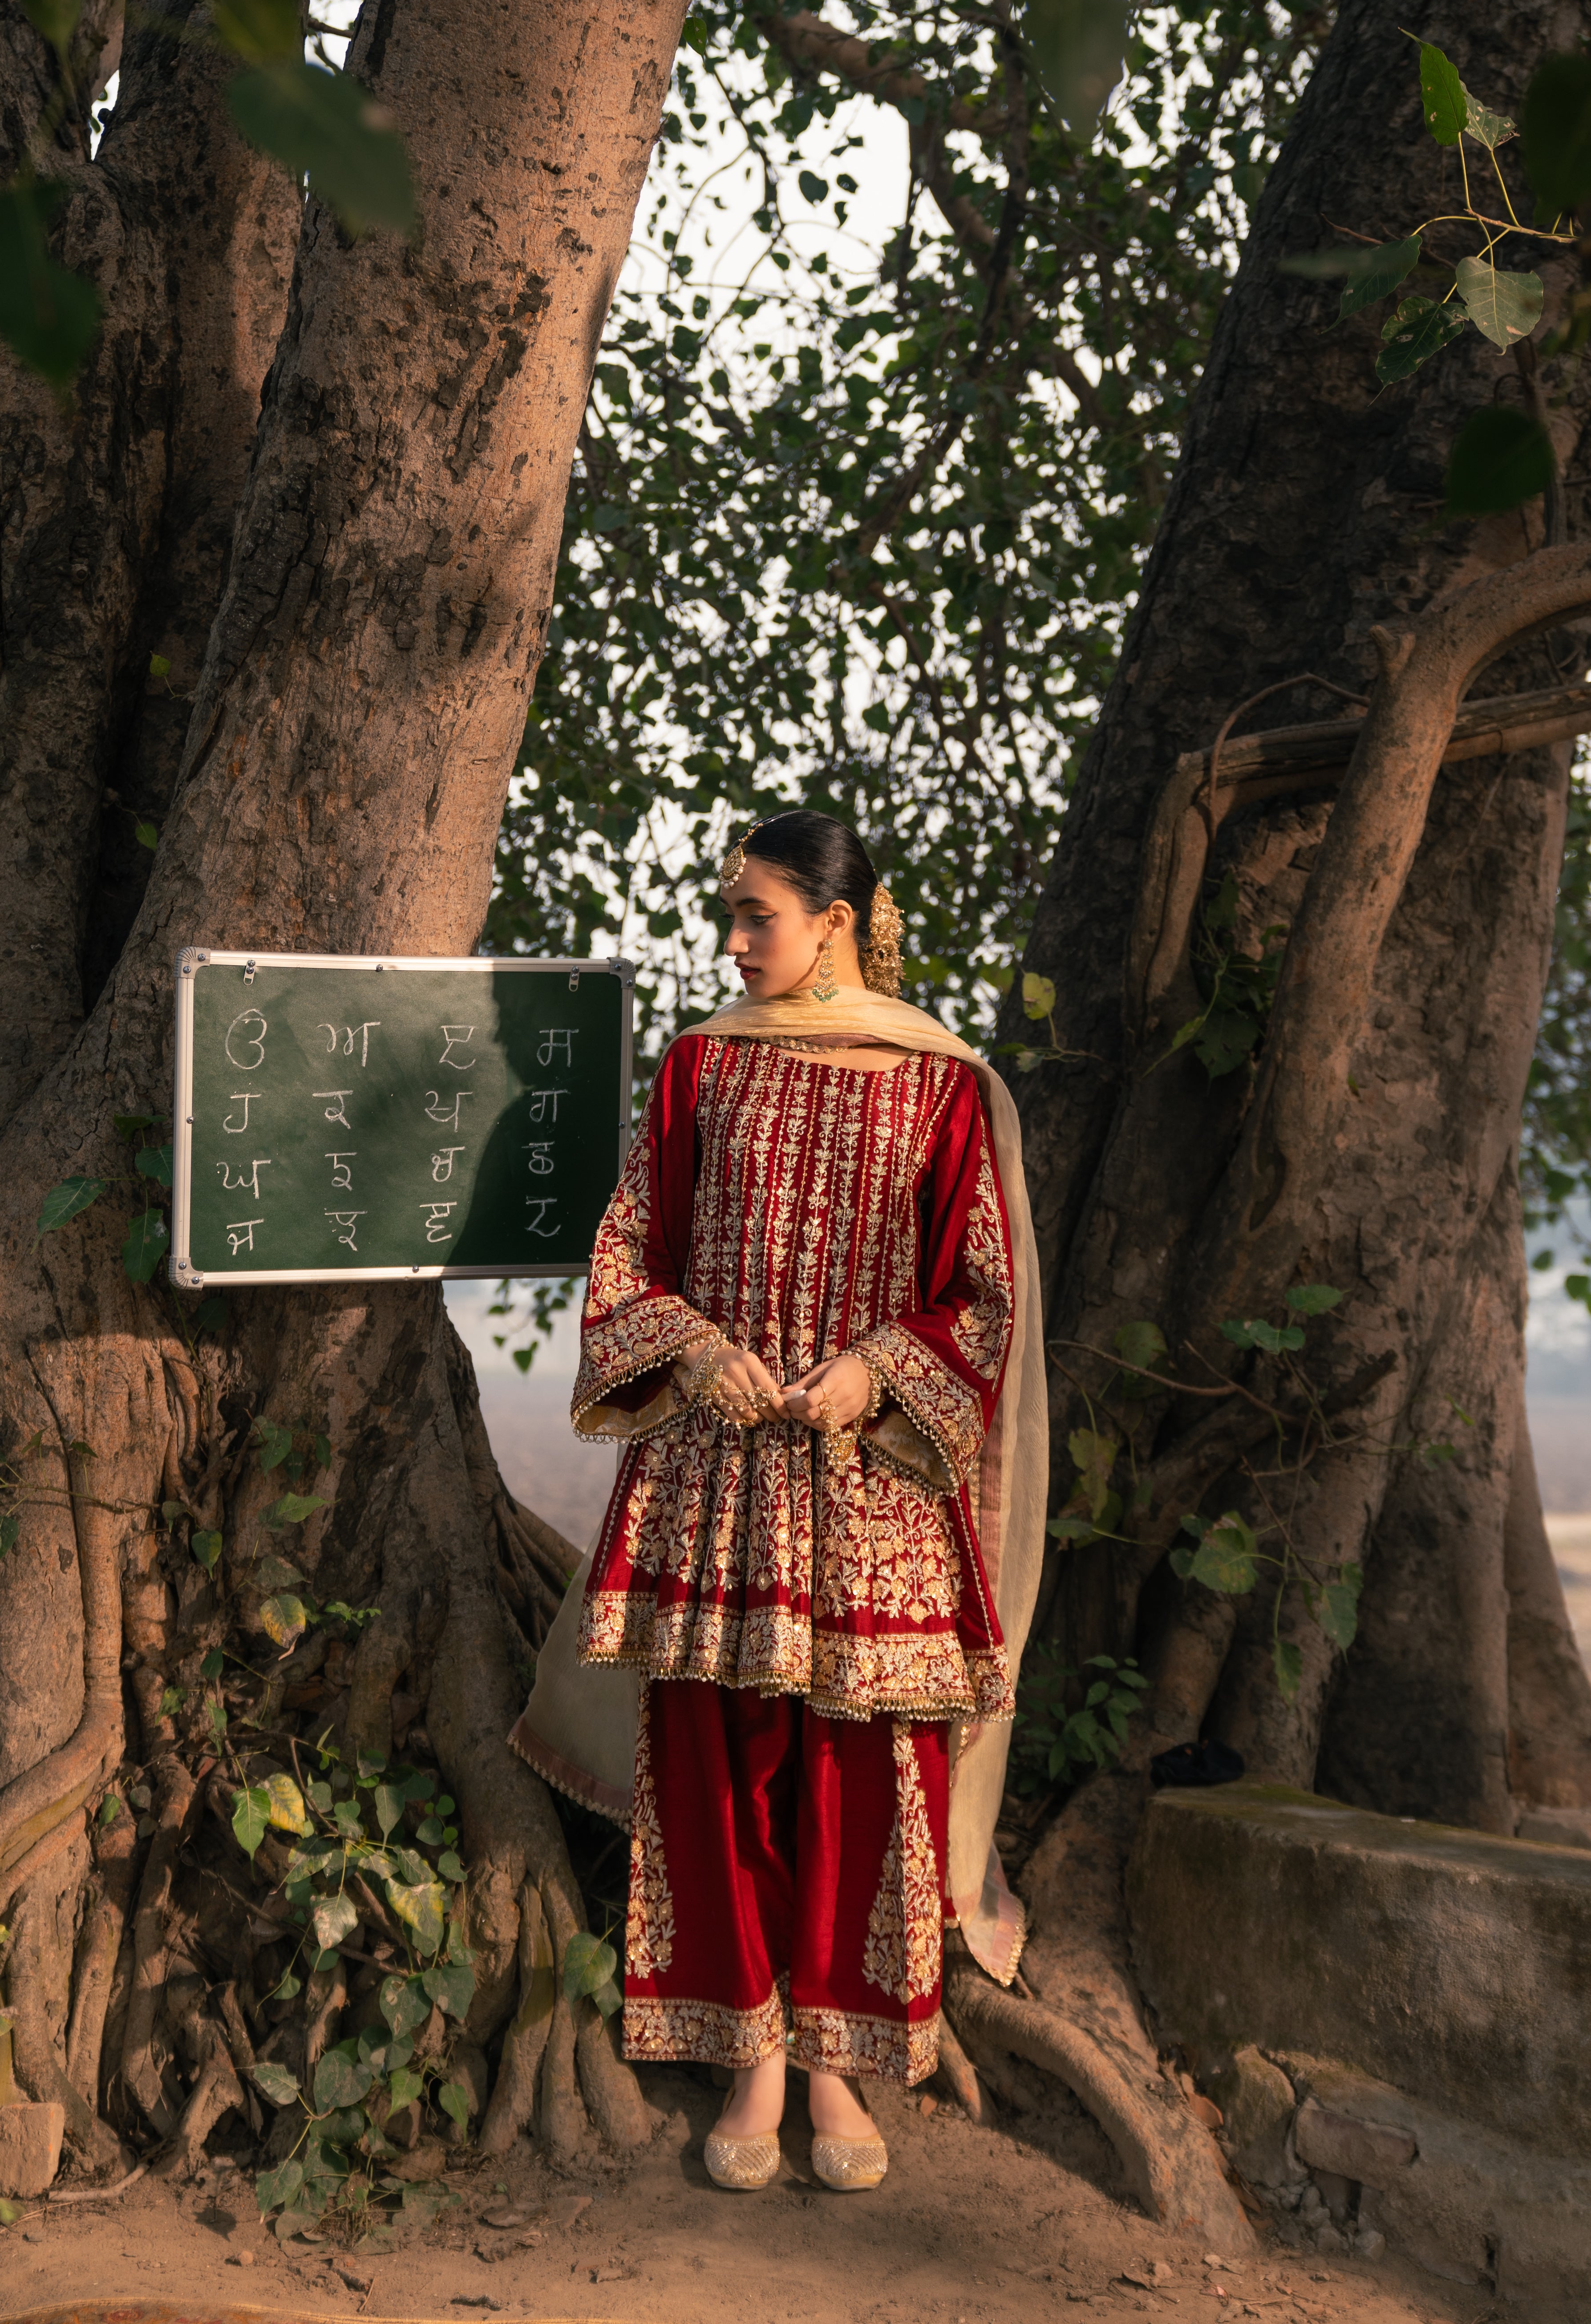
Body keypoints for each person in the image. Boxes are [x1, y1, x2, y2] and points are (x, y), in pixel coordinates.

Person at [510, 811, 1045, 2193]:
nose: (735, 943)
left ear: (838, 921)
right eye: (728, 918)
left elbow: (984, 1296)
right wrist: (692, 1347)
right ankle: (746, 2056)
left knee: (861, 1784)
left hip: (875, 1491)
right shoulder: (700, 1067)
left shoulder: (943, 1084)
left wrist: (878, 1368)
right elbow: (627, 1256)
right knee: (715, 1767)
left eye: (757, 915)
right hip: (716, 1479)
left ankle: (838, 2067)